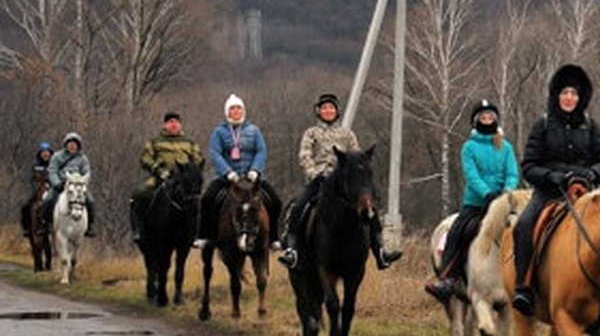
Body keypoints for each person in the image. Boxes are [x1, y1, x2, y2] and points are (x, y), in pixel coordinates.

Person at [510, 64, 600, 316]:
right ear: (557, 95)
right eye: (565, 93)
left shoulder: (591, 127)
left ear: (581, 98)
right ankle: (523, 287)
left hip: (586, 193)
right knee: (523, 225)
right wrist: (555, 177)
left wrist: (591, 174)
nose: (569, 98)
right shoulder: (542, 125)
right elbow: (529, 166)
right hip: (549, 192)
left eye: (574, 94)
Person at [277, 92, 402, 270]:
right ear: (318, 111)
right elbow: (304, 155)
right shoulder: (311, 133)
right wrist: (313, 172)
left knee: (369, 208)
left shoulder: (347, 134)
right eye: (324, 108)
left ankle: (381, 251)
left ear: (337, 111)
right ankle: (292, 250)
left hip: (344, 183)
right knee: (299, 206)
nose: (328, 111)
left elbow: (357, 156)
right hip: (319, 179)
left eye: (331, 108)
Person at [426, 99, 520, 305]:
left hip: (503, 202)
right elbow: (471, 174)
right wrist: (486, 193)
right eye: (483, 117)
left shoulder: (505, 147)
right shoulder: (469, 147)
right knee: (458, 231)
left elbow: (512, 172)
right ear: (476, 121)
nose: (487, 120)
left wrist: (506, 191)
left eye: (490, 117)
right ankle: (448, 278)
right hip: (476, 203)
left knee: (522, 229)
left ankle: (526, 281)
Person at [193, 94, 283, 250]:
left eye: (239, 108)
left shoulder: (254, 130)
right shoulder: (219, 132)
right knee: (207, 199)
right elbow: (215, 153)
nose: (236, 111)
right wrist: (228, 172)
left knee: (275, 200)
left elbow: (261, 151)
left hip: (251, 177)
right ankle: (205, 236)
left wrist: (255, 170)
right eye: (233, 109)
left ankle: (274, 237)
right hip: (227, 178)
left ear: (244, 111)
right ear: (227, 112)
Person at [129, 112, 204, 244]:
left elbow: (198, 159)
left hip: (183, 180)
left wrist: (191, 170)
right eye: (170, 122)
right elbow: (145, 158)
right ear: (165, 125)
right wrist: (158, 169)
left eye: (176, 122)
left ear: (180, 125)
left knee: (197, 200)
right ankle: (138, 229)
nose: (173, 124)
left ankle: (197, 234)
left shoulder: (189, 143)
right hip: (161, 177)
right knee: (139, 193)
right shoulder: (155, 141)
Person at [41, 132, 97, 237]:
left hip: (77, 186)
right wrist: (57, 183)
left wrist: (82, 182)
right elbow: (52, 171)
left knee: (91, 201)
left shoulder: (83, 158)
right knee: (47, 200)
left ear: (78, 145)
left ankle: (89, 226)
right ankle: (45, 224)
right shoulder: (57, 156)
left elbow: (87, 172)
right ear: (66, 144)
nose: (72, 146)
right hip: (61, 185)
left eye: (74, 144)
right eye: (70, 143)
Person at [19, 141, 53, 238]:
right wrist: (36, 188)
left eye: (47, 152)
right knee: (25, 205)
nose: (46, 154)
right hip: (37, 190)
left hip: (51, 189)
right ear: (40, 153)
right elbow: (30, 178)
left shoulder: (54, 164)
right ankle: (26, 228)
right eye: (43, 152)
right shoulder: (35, 164)